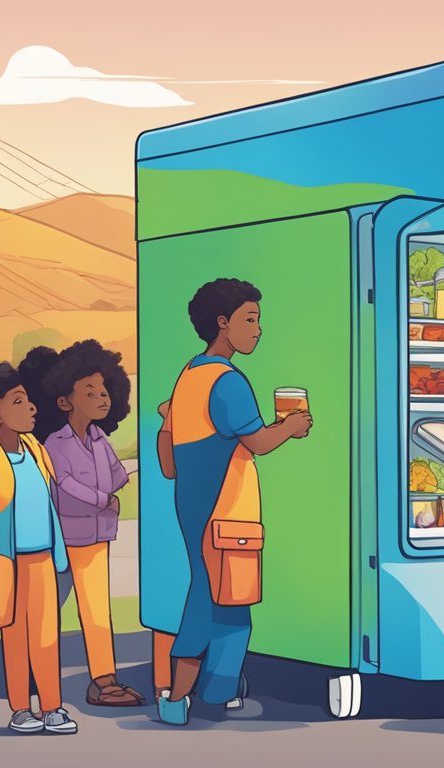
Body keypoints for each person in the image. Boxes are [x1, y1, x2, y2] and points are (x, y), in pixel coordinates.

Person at [155, 278, 313, 726]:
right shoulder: (228, 382)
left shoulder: (188, 375)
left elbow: (168, 464)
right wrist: (292, 427)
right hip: (224, 509)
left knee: (230, 599)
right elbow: (259, 442)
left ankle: (220, 690)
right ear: (222, 323)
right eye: (250, 319)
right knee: (211, 598)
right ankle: (176, 695)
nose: (258, 329)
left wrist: (168, 421)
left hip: (193, 506)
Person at [0, 362, 77, 734]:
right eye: (19, 402)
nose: (32, 408)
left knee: (46, 635)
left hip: (41, 559)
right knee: (14, 634)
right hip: (4, 561)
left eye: (29, 401)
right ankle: (21, 709)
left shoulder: (35, 449)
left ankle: (53, 707)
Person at [18, 340, 144, 707]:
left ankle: (104, 681)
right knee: (45, 606)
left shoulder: (100, 439)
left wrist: (133, 474)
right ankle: (31, 669)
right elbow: (67, 485)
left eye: (104, 391)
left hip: (96, 535)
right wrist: (105, 499)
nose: (102, 398)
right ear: (64, 401)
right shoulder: (55, 443)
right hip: (60, 537)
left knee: (96, 608)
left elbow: (118, 474)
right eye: (90, 392)